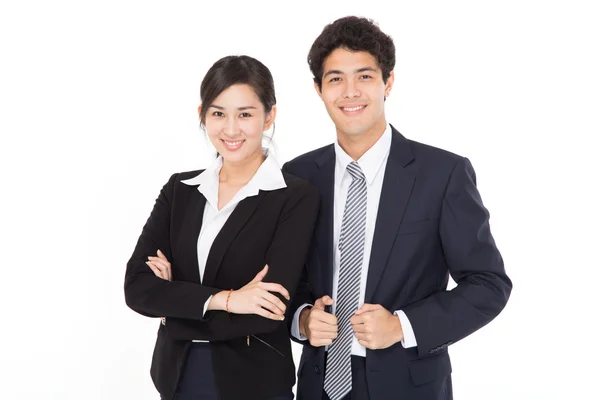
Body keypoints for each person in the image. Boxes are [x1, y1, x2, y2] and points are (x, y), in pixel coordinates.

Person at [284, 16, 512, 400]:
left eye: (365, 76)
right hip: (317, 385)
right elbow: (287, 278)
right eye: (336, 78)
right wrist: (302, 319)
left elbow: (489, 284)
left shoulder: (443, 173)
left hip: (408, 384)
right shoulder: (299, 176)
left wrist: (403, 326)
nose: (350, 92)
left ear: (388, 82)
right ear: (318, 89)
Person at [124, 55, 319, 400]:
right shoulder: (180, 190)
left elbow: (268, 311)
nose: (231, 129)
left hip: (254, 383)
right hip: (177, 377)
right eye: (218, 113)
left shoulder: (294, 197)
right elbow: (137, 288)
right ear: (202, 114)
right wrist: (227, 299)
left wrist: (173, 308)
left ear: (269, 116)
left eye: (245, 114)